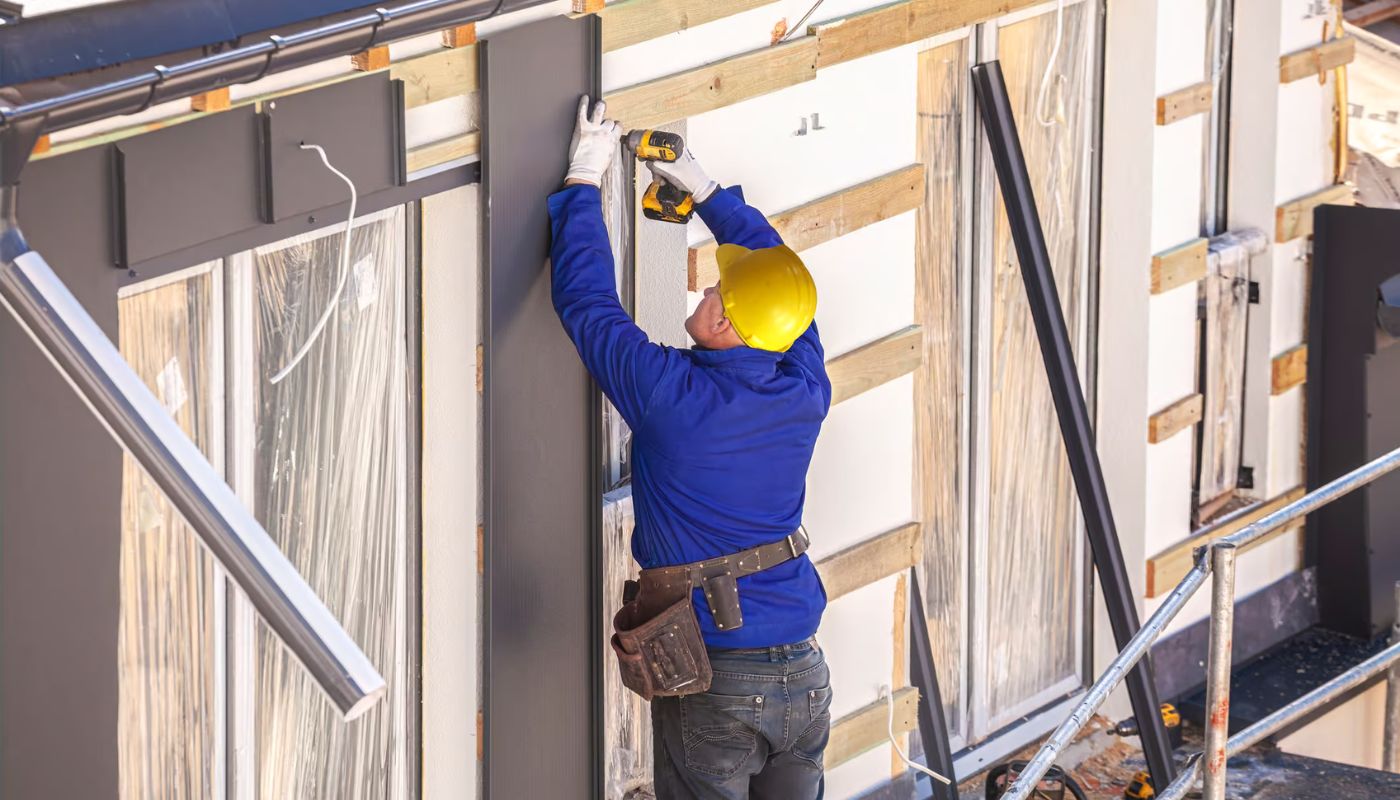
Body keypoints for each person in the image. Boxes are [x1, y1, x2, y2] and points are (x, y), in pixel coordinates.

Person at [548, 96, 833, 800]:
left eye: (718, 292)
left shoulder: (671, 395)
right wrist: (699, 186)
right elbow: (780, 279)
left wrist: (583, 179)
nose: (707, 287)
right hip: (805, 679)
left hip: (717, 679)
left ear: (729, 325)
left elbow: (587, 303)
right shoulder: (803, 383)